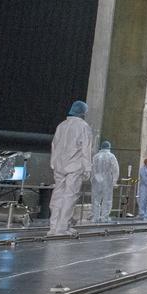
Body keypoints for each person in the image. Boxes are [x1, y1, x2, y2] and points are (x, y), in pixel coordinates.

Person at [49, 100, 95, 236]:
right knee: (70, 196)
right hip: (74, 166)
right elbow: (86, 149)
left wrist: (53, 162)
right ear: (83, 112)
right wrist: (87, 168)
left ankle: (53, 226)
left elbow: (54, 145)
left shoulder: (61, 126)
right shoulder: (83, 126)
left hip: (59, 165)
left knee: (57, 195)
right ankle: (62, 228)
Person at [90, 140, 119, 223]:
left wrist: (92, 179)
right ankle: (104, 217)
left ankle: (95, 217)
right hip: (107, 180)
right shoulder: (111, 156)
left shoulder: (95, 156)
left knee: (95, 199)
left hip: (96, 179)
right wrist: (114, 181)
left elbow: (92, 169)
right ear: (109, 147)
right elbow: (115, 169)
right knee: (107, 199)